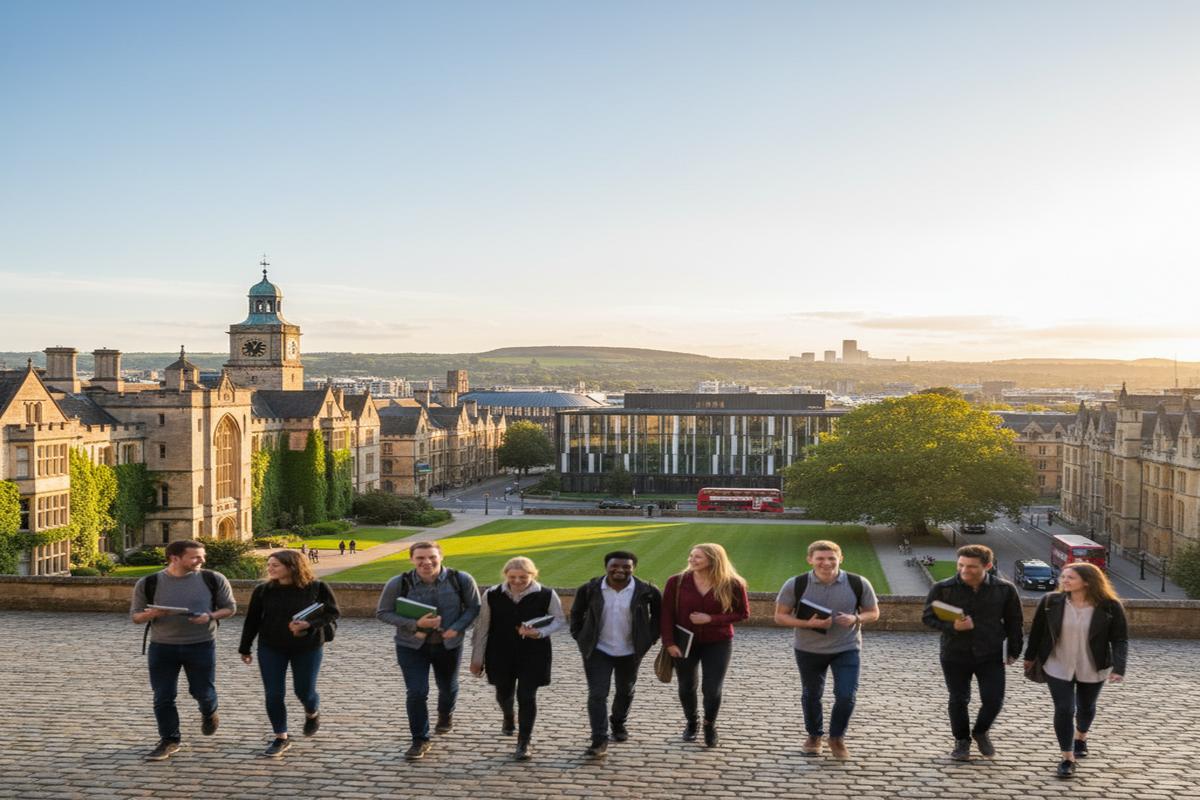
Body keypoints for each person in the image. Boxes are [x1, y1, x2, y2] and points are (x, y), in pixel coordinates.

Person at [129, 539, 237, 761]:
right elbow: (136, 617)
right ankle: (169, 740)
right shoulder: (148, 582)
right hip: (162, 647)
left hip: (201, 644)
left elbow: (230, 608)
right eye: (196, 557)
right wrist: (152, 614)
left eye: (202, 556)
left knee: (203, 693)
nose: (202, 560)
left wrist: (210, 616)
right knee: (163, 696)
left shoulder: (213, 579)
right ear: (175, 558)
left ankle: (209, 712)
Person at [774, 540, 880, 759]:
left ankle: (837, 738)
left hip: (847, 647)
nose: (826, 563)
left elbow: (873, 612)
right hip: (808, 649)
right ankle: (814, 736)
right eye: (820, 558)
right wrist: (808, 624)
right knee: (811, 694)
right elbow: (780, 616)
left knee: (846, 695)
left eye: (831, 558)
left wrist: (856, 617)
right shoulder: (796, 584)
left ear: (840, 559)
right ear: (810, 559)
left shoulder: (858, 583)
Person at [376, 541, 481, 761]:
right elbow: (383, 612)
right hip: (411, 646)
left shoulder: (460, 580)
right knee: (416, 692)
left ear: (441, 557)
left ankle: (445, 714)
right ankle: (420, 739)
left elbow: (474, 608)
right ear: (412, 560)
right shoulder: (398, 583)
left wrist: (457, 628)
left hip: (448, 645)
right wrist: (416, 624)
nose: (427, 562)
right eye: (420, 558)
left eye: (432, 557)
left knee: (448, 687)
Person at [1024, 563, 1128, 778]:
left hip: (1093, 666)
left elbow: (1120, 639)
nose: (1064, 581)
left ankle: (1081, 736)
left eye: (1070, 577)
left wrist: (1119, 667)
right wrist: (1029, 657)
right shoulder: (1050, 602)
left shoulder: (1110, 606)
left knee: (1086, 707)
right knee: (1064, 709)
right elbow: (1037, 632)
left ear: (1087, 581)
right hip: (1057, 664)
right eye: (1063, 577)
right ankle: (1067, 757)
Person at [923, 544, 1023, 762]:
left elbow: (1015, 622)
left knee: (994, 700)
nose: (964, 571)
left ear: (987, 566)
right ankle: (961, 741)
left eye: (971, 567)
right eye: (961, 565)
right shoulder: (943, 588)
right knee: (958, 699)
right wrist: (953, 627)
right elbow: (928, 618)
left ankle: (980, 731)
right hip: (955, 653)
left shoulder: (1005, 589)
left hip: (991, 652)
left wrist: (1015, 651)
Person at [238, 550, 341, 757]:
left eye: (275, 565)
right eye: (269, 564)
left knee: (304, 691)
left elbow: (333, 613)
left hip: (308, 646)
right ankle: (281, 737)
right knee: (274, 693)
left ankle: (312, 713)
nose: (270, 568)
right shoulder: (262, 590)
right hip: (271, 647)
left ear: (292, 566)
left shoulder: (317, 587)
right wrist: (245, 647)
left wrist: (309, 624)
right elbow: (252, 620)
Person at [469, 557, 566, 761]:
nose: (517, 581)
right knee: (503, 693)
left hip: (534, 652)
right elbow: (483, 626)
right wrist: (477, 658)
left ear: (533, 575)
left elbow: (559, 619)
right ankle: (508, 716)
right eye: (512, 577)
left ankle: (524, 741)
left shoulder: (547, 594)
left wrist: (539, 633)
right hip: (499, 652)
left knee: (527, 696)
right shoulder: (492, 594)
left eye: (523, 577)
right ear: (506, 575)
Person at [569, 550, 661, 758]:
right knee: (597, 694)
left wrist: (649, 639)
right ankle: (599, 740)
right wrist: (580, 636)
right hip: (598, 649)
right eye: (615, 566)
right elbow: (576, 614)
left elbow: (658, 618)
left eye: (626, 567)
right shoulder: (589, 589)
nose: (620, 570)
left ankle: (618, 722)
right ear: (606, 567)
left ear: (633, 568)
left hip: (630, 651)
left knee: (625, 690)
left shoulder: (647, 591)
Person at [661, 543, 750, 748]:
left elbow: (742, 613)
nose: (692, 560)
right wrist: (669, 642)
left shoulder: (733, 583)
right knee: (686, 686)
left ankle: (710, 725)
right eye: (691, 556)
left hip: (718, 641)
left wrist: (711, 618)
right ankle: (692, 723)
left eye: (698, 557)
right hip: (684, 642)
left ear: (713, 559)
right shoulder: (676, 582)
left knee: (712, 689)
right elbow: (666, 614)